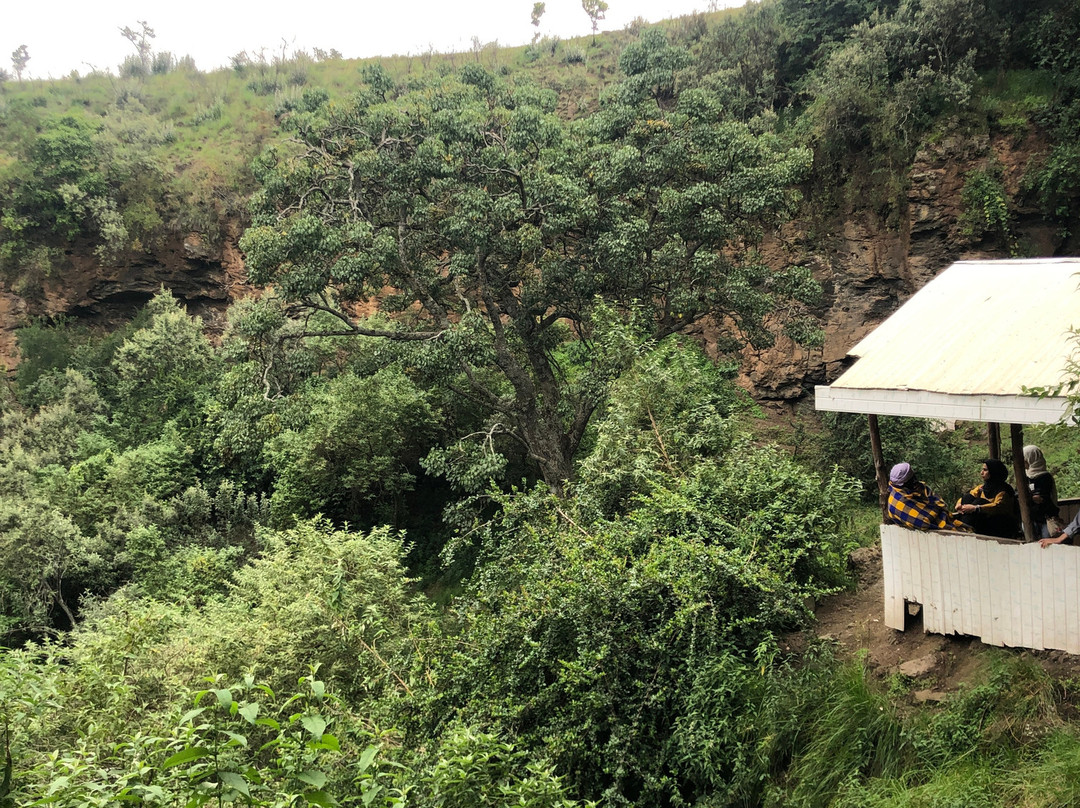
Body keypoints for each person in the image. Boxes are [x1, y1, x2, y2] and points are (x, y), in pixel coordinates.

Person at [886, 462, 970, 531]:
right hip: (940, 530)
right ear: (904, 483)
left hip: (947, 522)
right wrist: (936, 509)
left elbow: (942, 504)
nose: (915, 480)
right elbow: (924, 522)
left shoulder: (917, 488)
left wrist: (933, 509)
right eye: (912, 479)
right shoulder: (896, 503)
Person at [955, 458, 1019, 539]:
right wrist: (959, 504)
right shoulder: (984, 487)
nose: (982, 473)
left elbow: (997, 507)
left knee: (980, 501)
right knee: (967, 497)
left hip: (1000, 525)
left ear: (993, 472)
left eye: (985, 470)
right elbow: (970, 494)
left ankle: (965, 528)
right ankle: (965, 527)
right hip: (985, 521)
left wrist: (976, 508)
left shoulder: (1004, 491)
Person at [1024, 444, 1060, 539]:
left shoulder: (1045, 477)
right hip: (1031, 518)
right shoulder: (1025, 477)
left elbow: (1042, 497)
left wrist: (1030, 497)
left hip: (1047, 518)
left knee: (1047, 544)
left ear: (1031, 458)